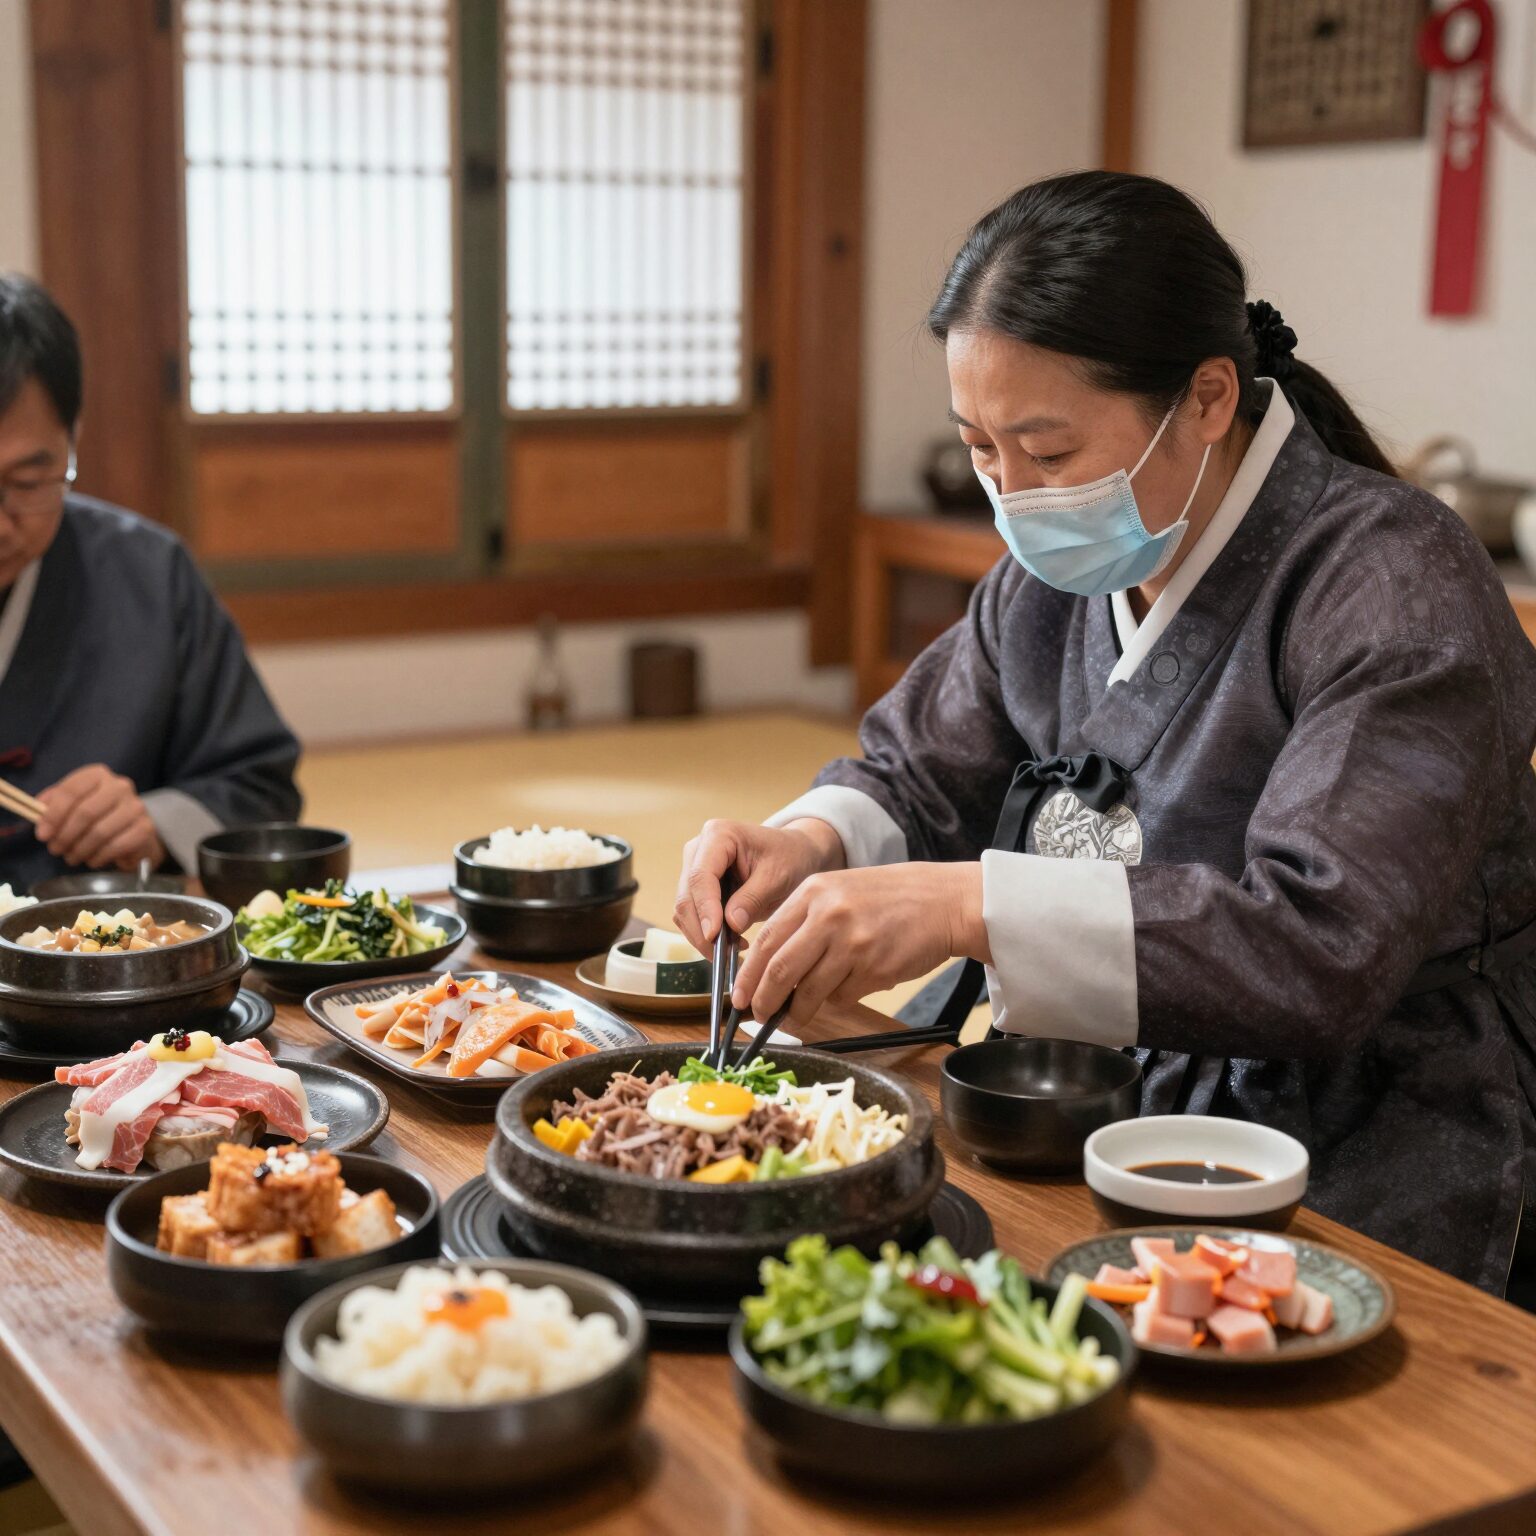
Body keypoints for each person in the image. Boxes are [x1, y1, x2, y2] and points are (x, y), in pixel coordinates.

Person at [675, 172, 1536, 1295]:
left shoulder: (1394, 586)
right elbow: (922, 768)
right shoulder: (1062, 568)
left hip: (1362, 1119)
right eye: (980, 448)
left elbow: (1321, 945)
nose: (1013, 495)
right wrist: (810, 843)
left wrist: (967, 907)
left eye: (1047, 452)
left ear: (1209, 398)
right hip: (1082, 1080)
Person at [0, 273, 301, 889]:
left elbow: (259, 789)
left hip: (102, 943)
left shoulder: (150, 577)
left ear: (72, 441)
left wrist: (154, 824)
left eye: (28, 482)